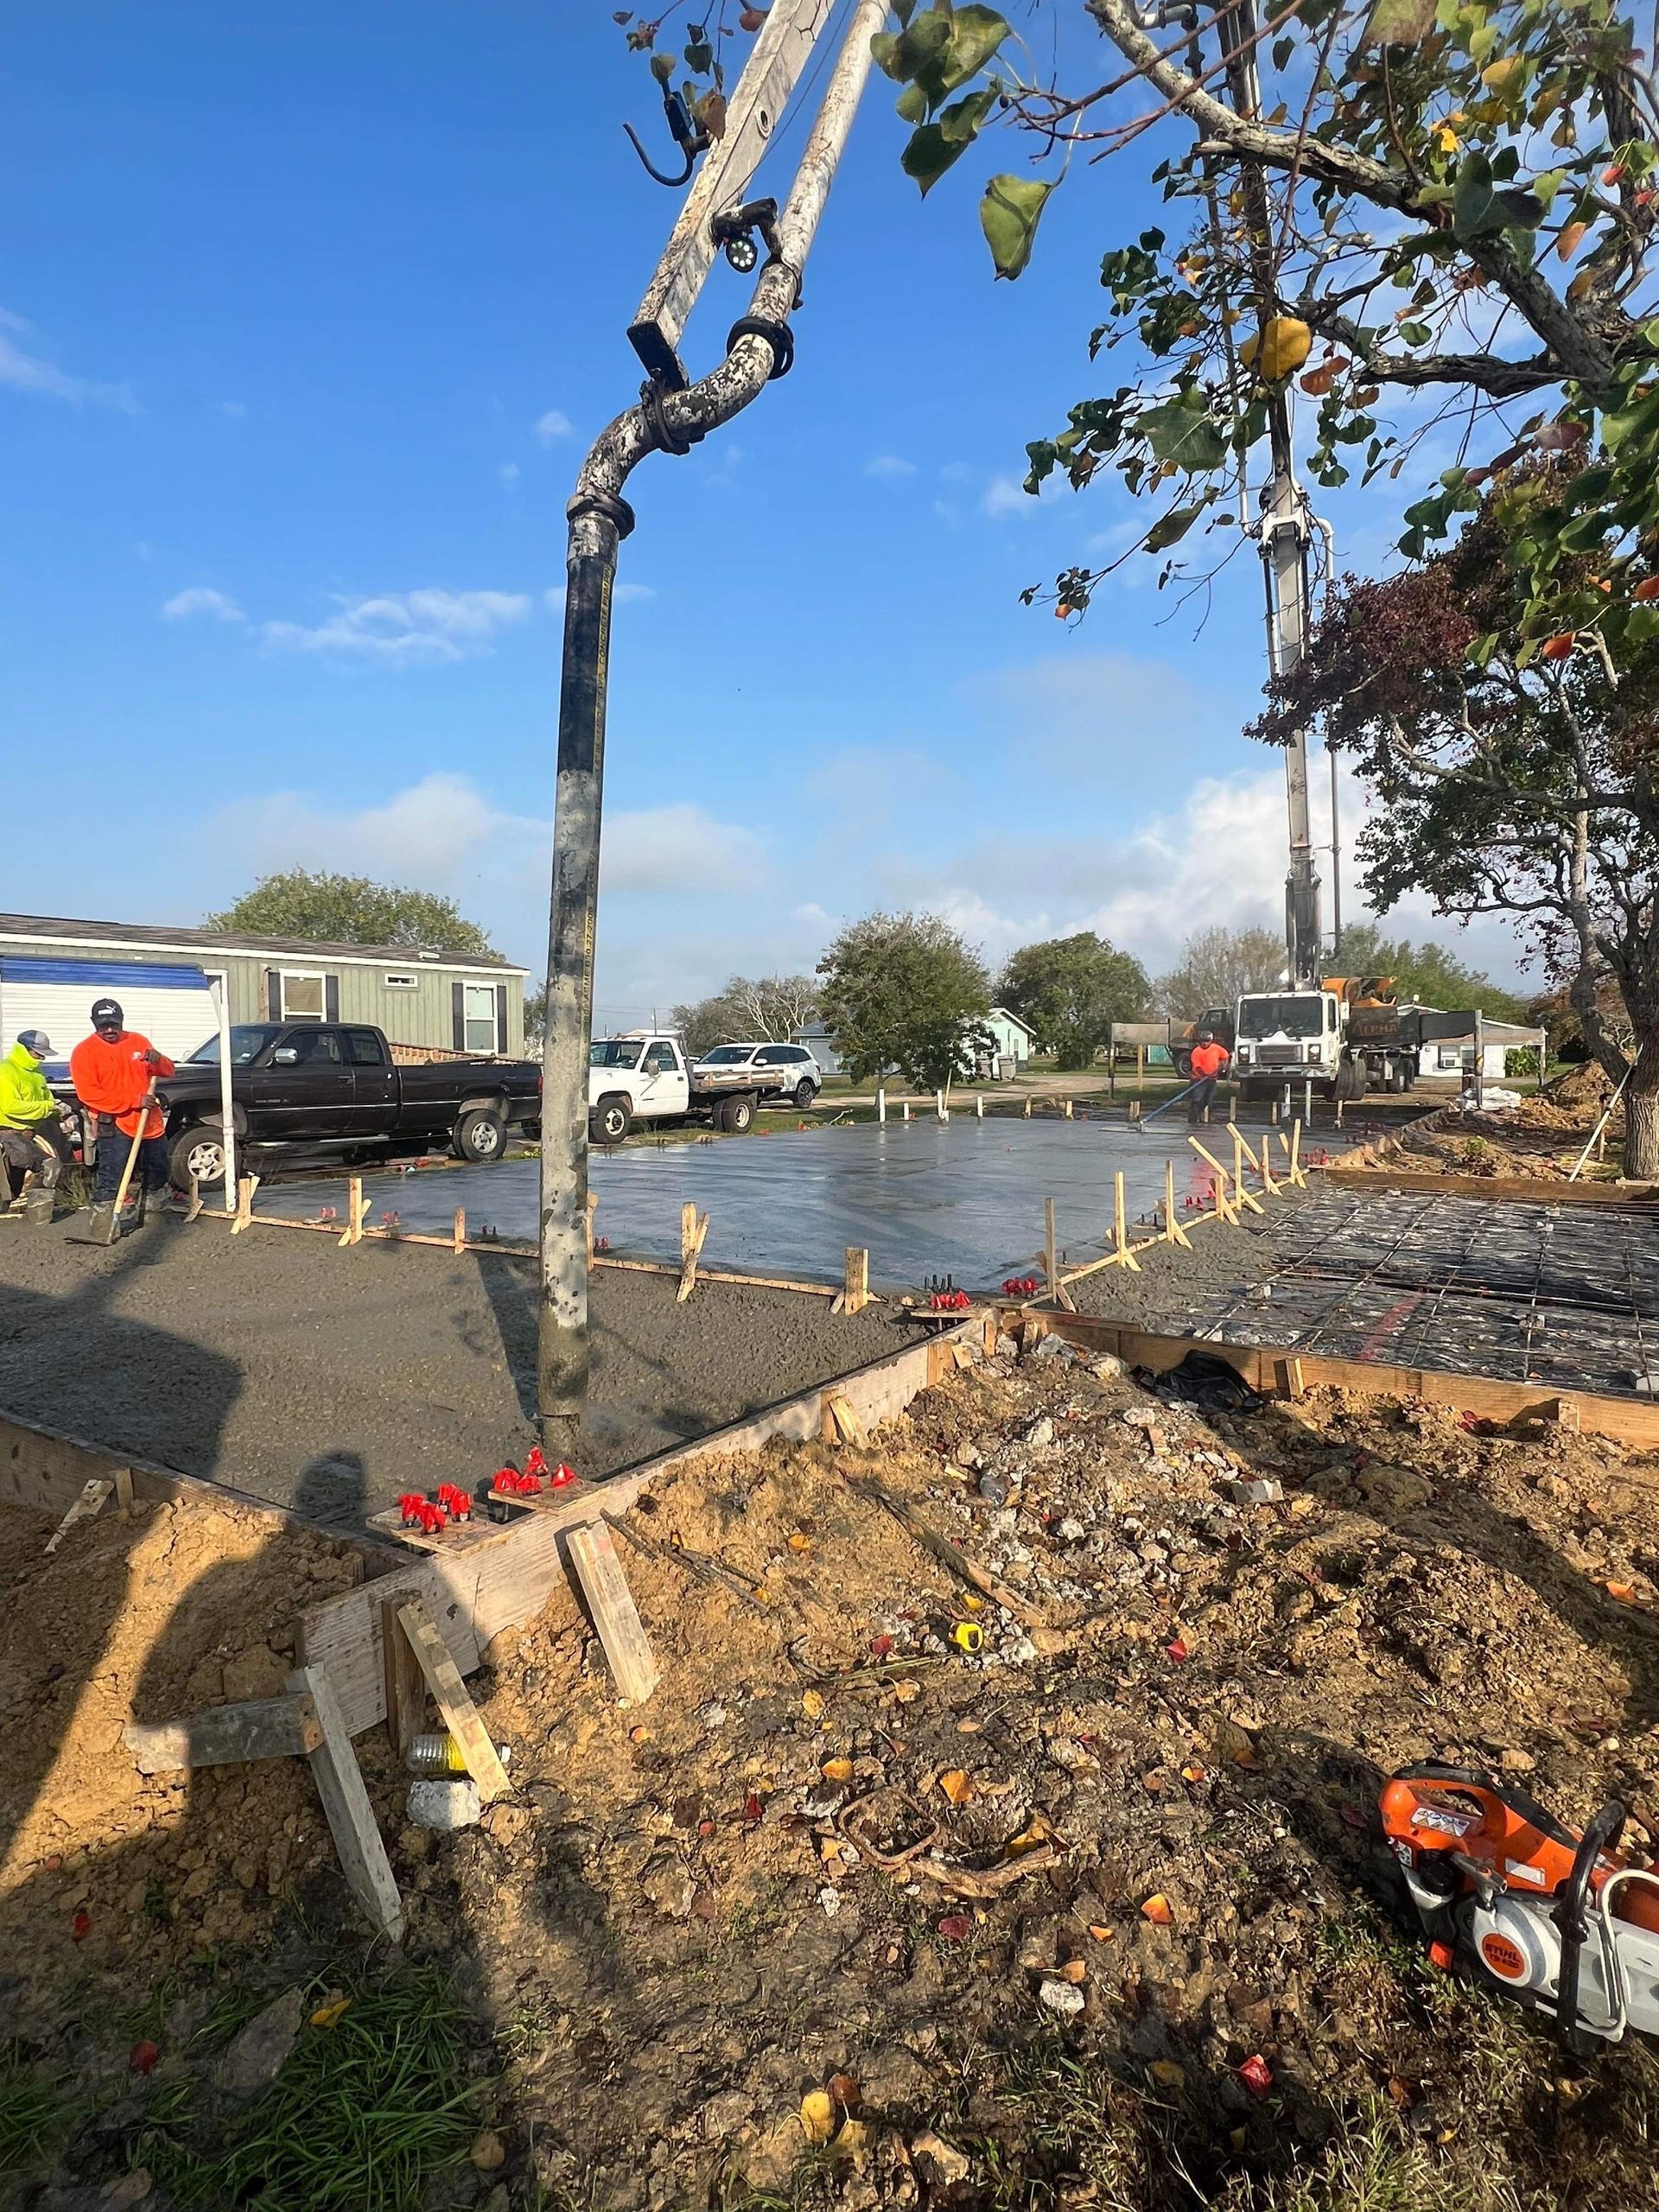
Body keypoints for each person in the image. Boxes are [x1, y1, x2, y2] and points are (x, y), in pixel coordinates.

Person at [69, 999, 176, 1226]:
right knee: (112, 1173)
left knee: (158, 1168)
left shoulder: (138, 1041)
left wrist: (159, 1060)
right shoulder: (84, 1052)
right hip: (114, 1123)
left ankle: (152, 1214)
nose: (109, 1030)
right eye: (103, 1025)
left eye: (114, 1024)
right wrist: (134, 1101)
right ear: (94, 1023)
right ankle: (103, 1221)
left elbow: (167, 1071)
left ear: (122, 1021)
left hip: (149, 1122)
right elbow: (89, 1094)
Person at [0, 1030, 73, 1207]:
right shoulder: (6, 1071)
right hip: (7, 1133)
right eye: (38, 1053)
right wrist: (49, 1107)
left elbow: (47, 1100)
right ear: (23, 1049)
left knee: (12, 1188)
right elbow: (10, 1107)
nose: (41, 1057)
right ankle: (39, 1214)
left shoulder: (37, 1073)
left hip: (27, 1134)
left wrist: (61, 1112)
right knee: (47, 1166)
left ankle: (24, 1212)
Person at [1187, 1029, 1230, 1123]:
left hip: (1211, 1080)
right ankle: (1193, 1121)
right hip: (1198, 1080)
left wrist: (1223, 1066)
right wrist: (1206, 1075)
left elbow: (1225, 1056)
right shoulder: (1197, 1051)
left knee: (1209, 1101)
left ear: (1211, 1041)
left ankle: (1206, 1119)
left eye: (1207, 1041)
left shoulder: (1216, 1048)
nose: (1204, 1043)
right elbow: (1197, 1067)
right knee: (1197, 1100)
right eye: (1202, 1041)